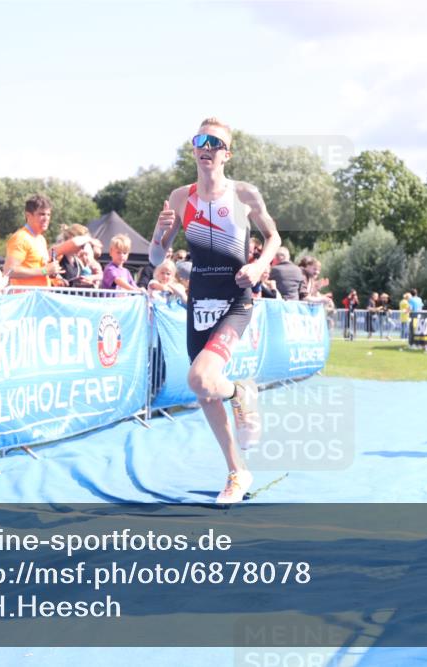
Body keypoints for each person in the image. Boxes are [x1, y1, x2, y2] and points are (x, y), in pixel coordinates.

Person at [149, 117, 281, 504]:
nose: (206, 146)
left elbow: (272, 236)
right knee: (206, 392)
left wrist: (258, 266)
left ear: (227, 154)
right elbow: (158, 256)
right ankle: (237, 472)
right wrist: (159, 234)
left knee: (200, 379)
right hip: (199, 301)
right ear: (193, 149)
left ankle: (240, 391)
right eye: (200, 140)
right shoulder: (179, 198)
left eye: (215, 142)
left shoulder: (243, 194)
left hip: (236, 299)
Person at [5, 194, 62, 287]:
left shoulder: (41, 239)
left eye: (48, 214)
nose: (46, 218)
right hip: (25, 298)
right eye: (41, 214)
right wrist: (45, 271)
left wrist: (54, 276)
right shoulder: (20, 238)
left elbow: (39, 270)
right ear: (28, 215)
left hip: (39, 297)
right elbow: (9, 271)